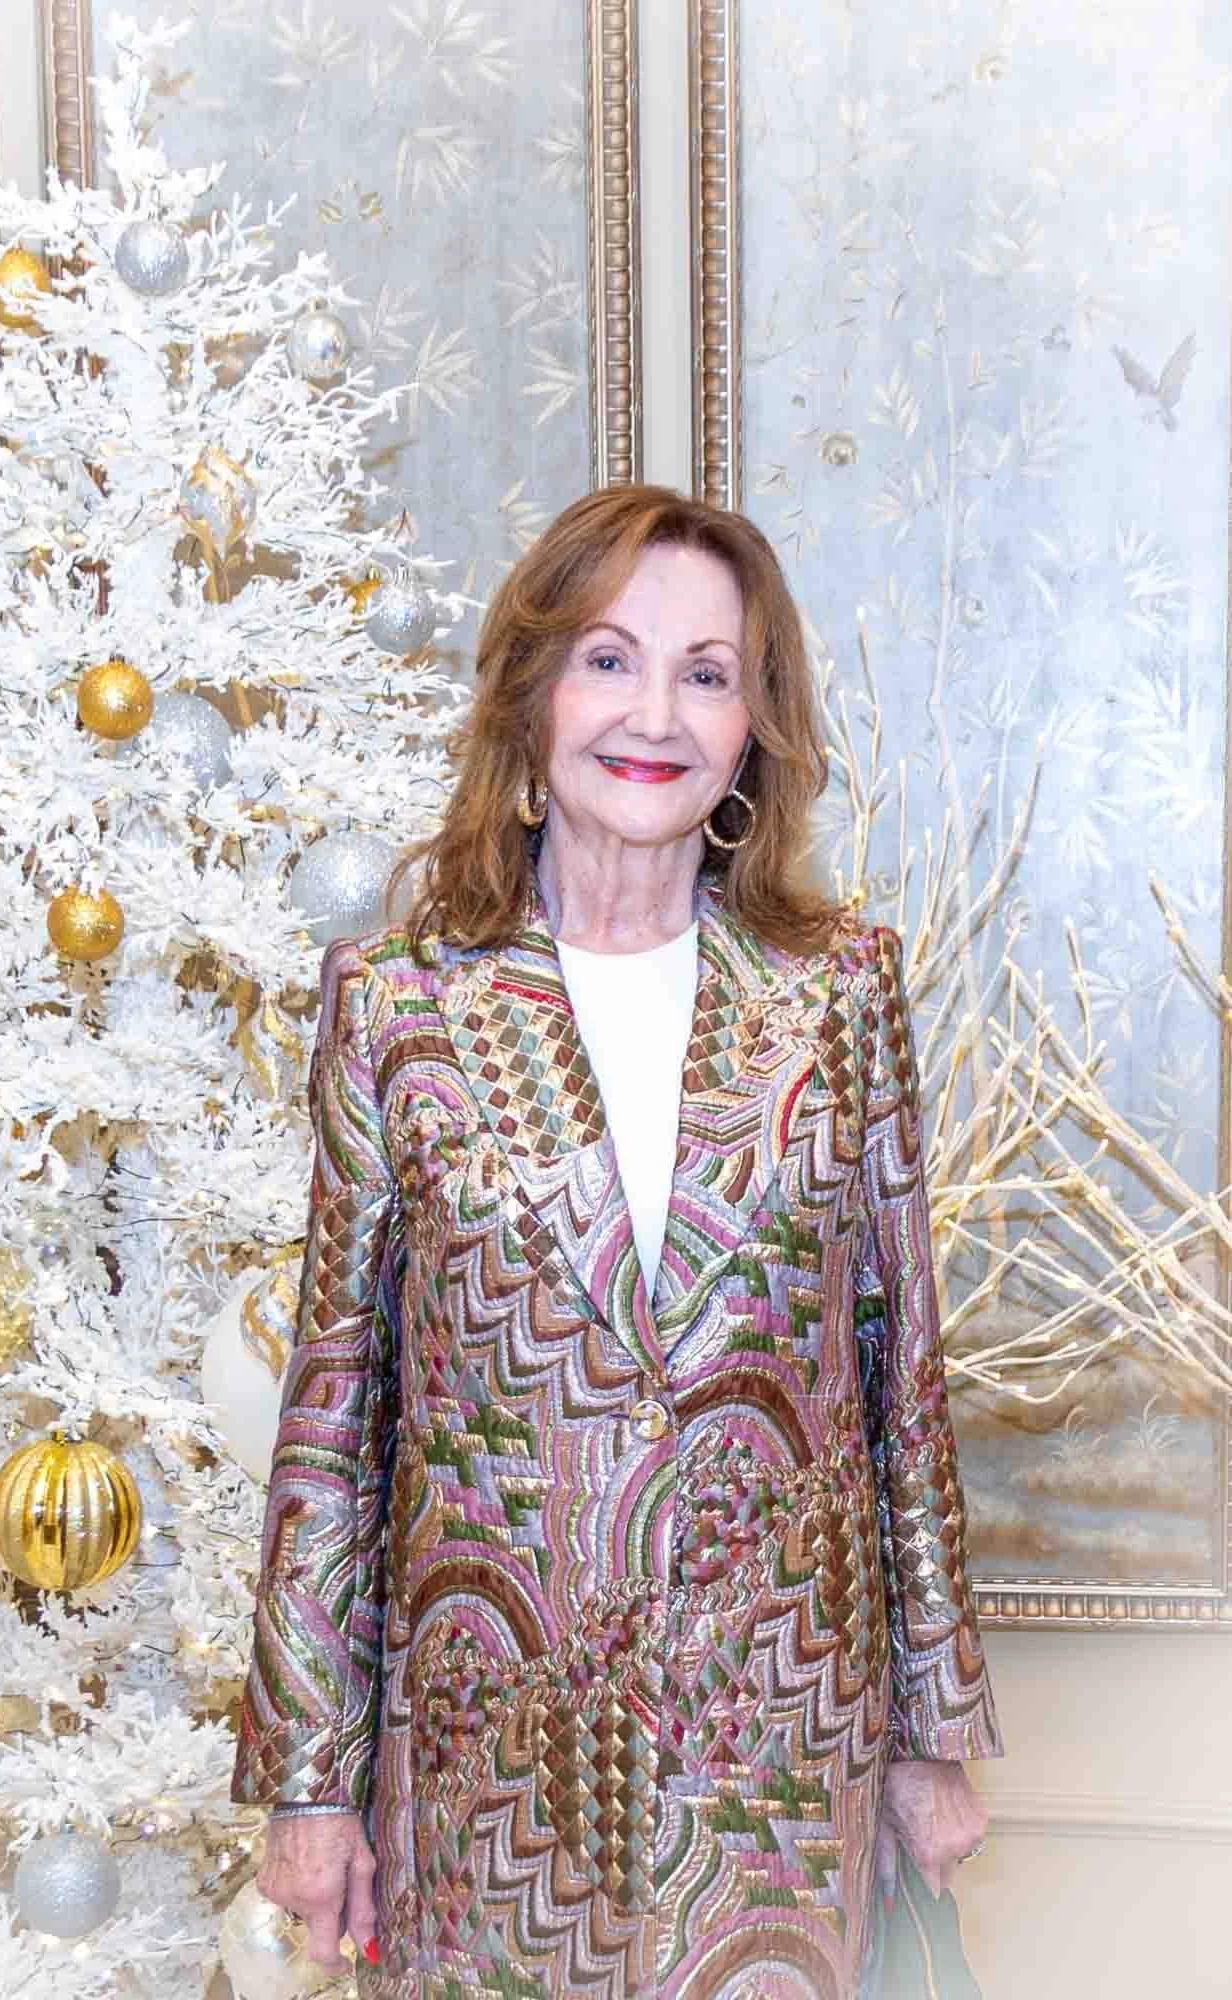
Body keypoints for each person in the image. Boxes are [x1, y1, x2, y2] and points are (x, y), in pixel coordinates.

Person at [230, 485, 1002, 2000]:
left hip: (782, 1754)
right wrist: (311, 1783)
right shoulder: (400, 1003)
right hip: (494, 1776)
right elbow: (335, 1416)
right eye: (609, 659)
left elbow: (899, 1375)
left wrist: (933, 1731)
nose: (656, 712)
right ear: (531, 698)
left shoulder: (837, 992)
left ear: (751, 730)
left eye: (707, 674)